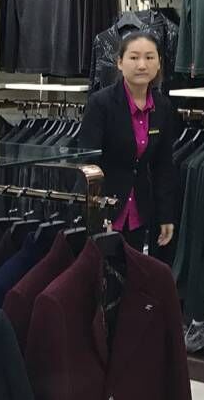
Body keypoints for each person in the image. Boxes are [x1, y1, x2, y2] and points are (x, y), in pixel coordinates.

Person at [78, 30, 184, 257]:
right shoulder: (101, 103)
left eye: (149, 57)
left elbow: (163, 166)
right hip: (105, 210)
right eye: (134, 57)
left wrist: (166, 215)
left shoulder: (162, 107)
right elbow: (88, 162)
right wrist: (97, 213)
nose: (142, 65)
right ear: (119, 62)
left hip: (139, 210)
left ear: (159, 63)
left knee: (132, 270)